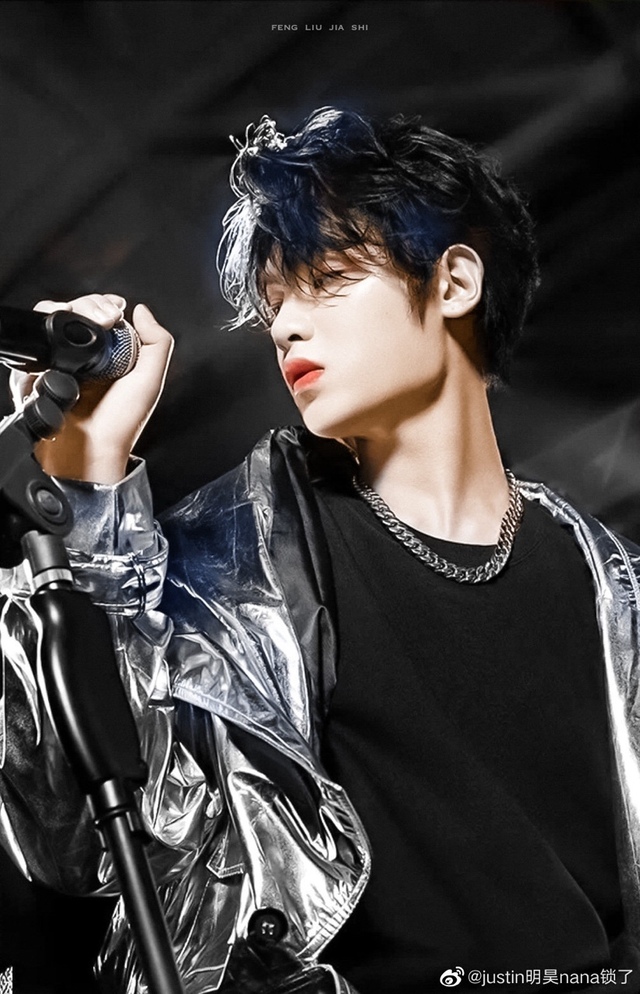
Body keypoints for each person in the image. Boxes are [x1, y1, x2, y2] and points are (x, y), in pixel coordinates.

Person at [1, 107, 639, 994]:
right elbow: (73, 840)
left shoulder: (615, 594)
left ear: (455, 281)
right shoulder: (226, 560)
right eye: (274, 304)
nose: (286, 327)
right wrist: (87, 483)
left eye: (328, 279)